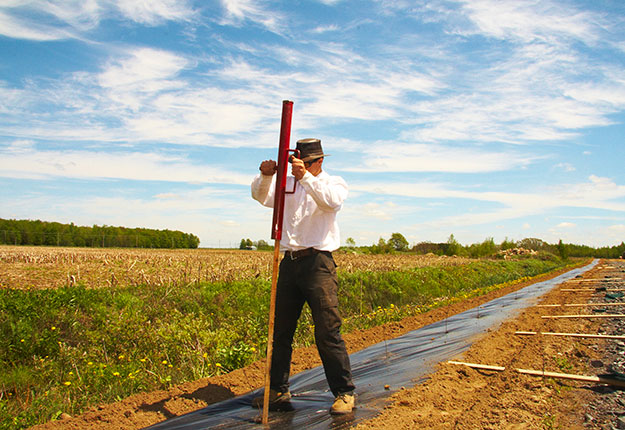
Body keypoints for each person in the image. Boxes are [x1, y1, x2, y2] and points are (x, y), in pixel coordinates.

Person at [251, 138, 355, 414]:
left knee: (327, 330)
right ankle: (277, 390)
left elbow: (331, 203)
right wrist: (265, 175)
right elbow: (262, 197)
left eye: (307, 162)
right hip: (289, 262)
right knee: (281, 330)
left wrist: (306, 177)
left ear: (319, 161)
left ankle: (344, 393)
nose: (301, 167)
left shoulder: (333, 183)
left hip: (318, 263)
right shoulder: (287, 184)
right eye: (298, 162)